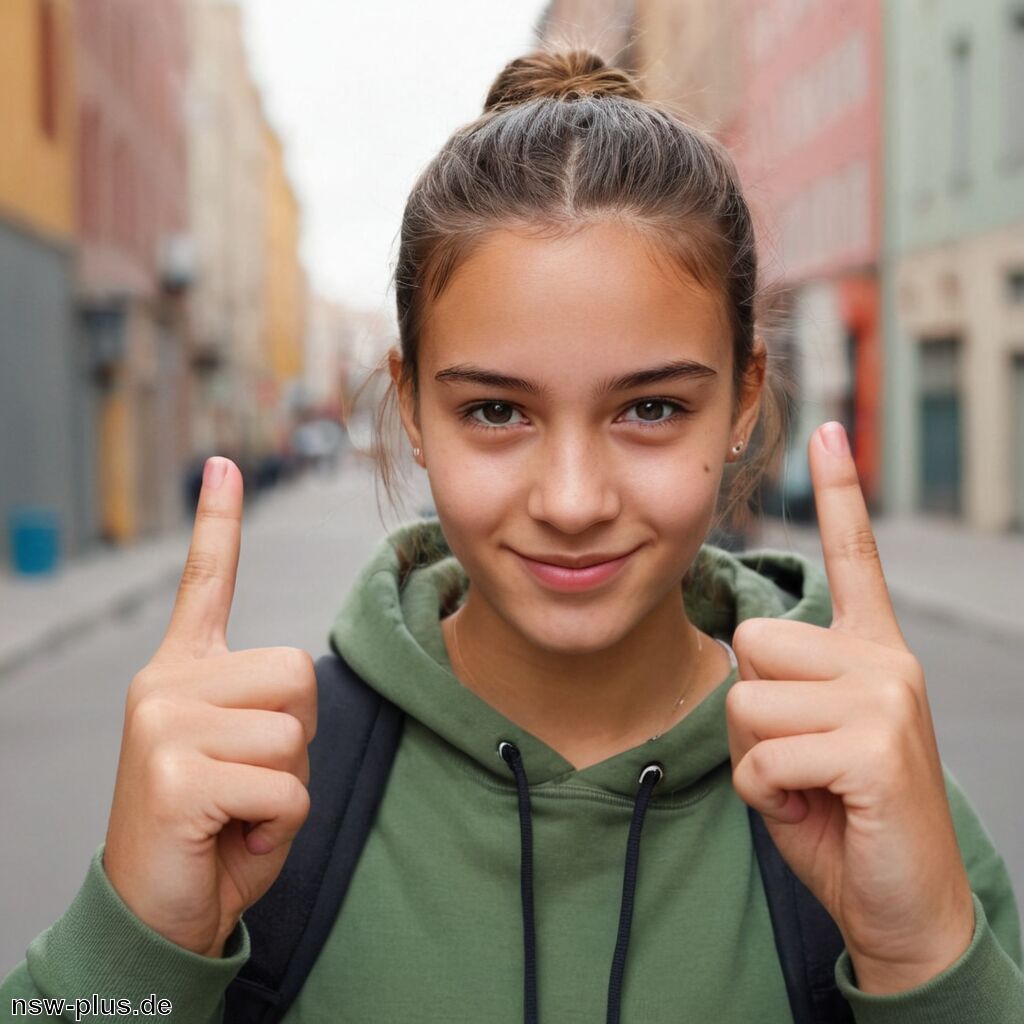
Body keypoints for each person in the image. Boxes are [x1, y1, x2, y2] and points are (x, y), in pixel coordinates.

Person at [3, 47, 1023, 1023]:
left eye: (651, 408)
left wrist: (922, 958)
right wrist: (135, 944)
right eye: (496, 411)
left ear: (746, 396)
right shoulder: (266, 793)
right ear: (410, 404)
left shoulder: (873, 785)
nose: (572, 501)